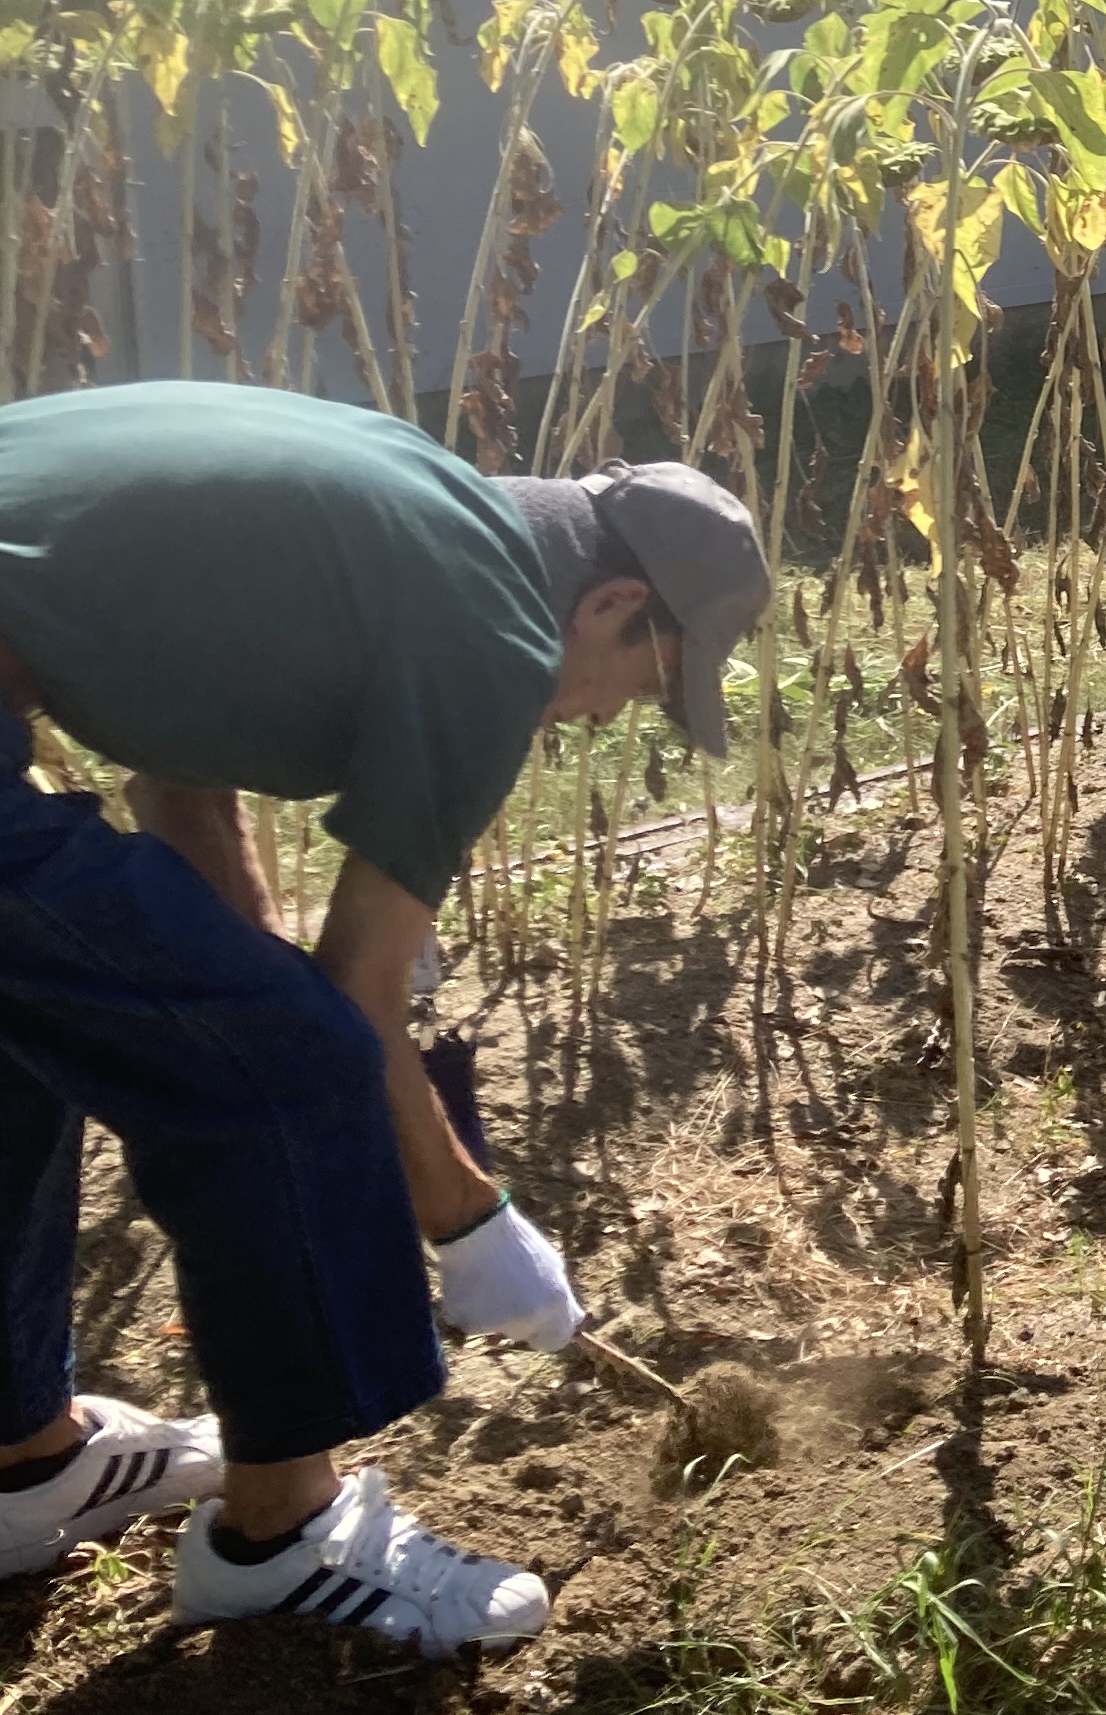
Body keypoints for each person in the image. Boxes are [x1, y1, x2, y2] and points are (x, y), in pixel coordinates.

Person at [0, 386, 773, 1651]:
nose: (597, 719)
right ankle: (282, 1540)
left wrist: (252, 976)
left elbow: (180, 786)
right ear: (614, 605)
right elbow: (351, 998)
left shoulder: (407, 509)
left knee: (35, 1021)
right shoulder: (495, 633)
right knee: (286, 1068)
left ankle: (25, 1462)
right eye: (642, 686)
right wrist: (470, 1220)